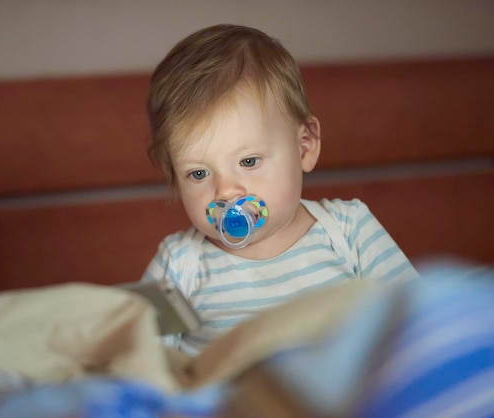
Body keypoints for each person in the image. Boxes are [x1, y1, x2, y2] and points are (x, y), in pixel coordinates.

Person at [140, 24, 418, 355]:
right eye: (198, 172)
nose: (226, 190)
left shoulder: (349, 231)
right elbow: (137, 362)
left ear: (304, 146)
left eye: (248, 161)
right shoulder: (179, 265)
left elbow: (420, 324)